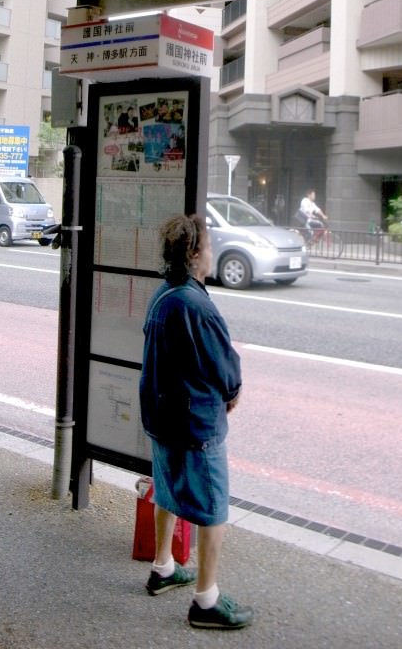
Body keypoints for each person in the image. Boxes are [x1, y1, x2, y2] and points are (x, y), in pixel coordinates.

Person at [139, 214, 253, 631]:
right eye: (207, 246)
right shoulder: (195, 304)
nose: (212, 253)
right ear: (193, 253)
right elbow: (225, 369)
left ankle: (164, 567)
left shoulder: (163, 294)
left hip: (161, 416)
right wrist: (233, 393)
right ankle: (205, 601)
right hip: (193, 422)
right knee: (213, 506)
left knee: (166, 491)